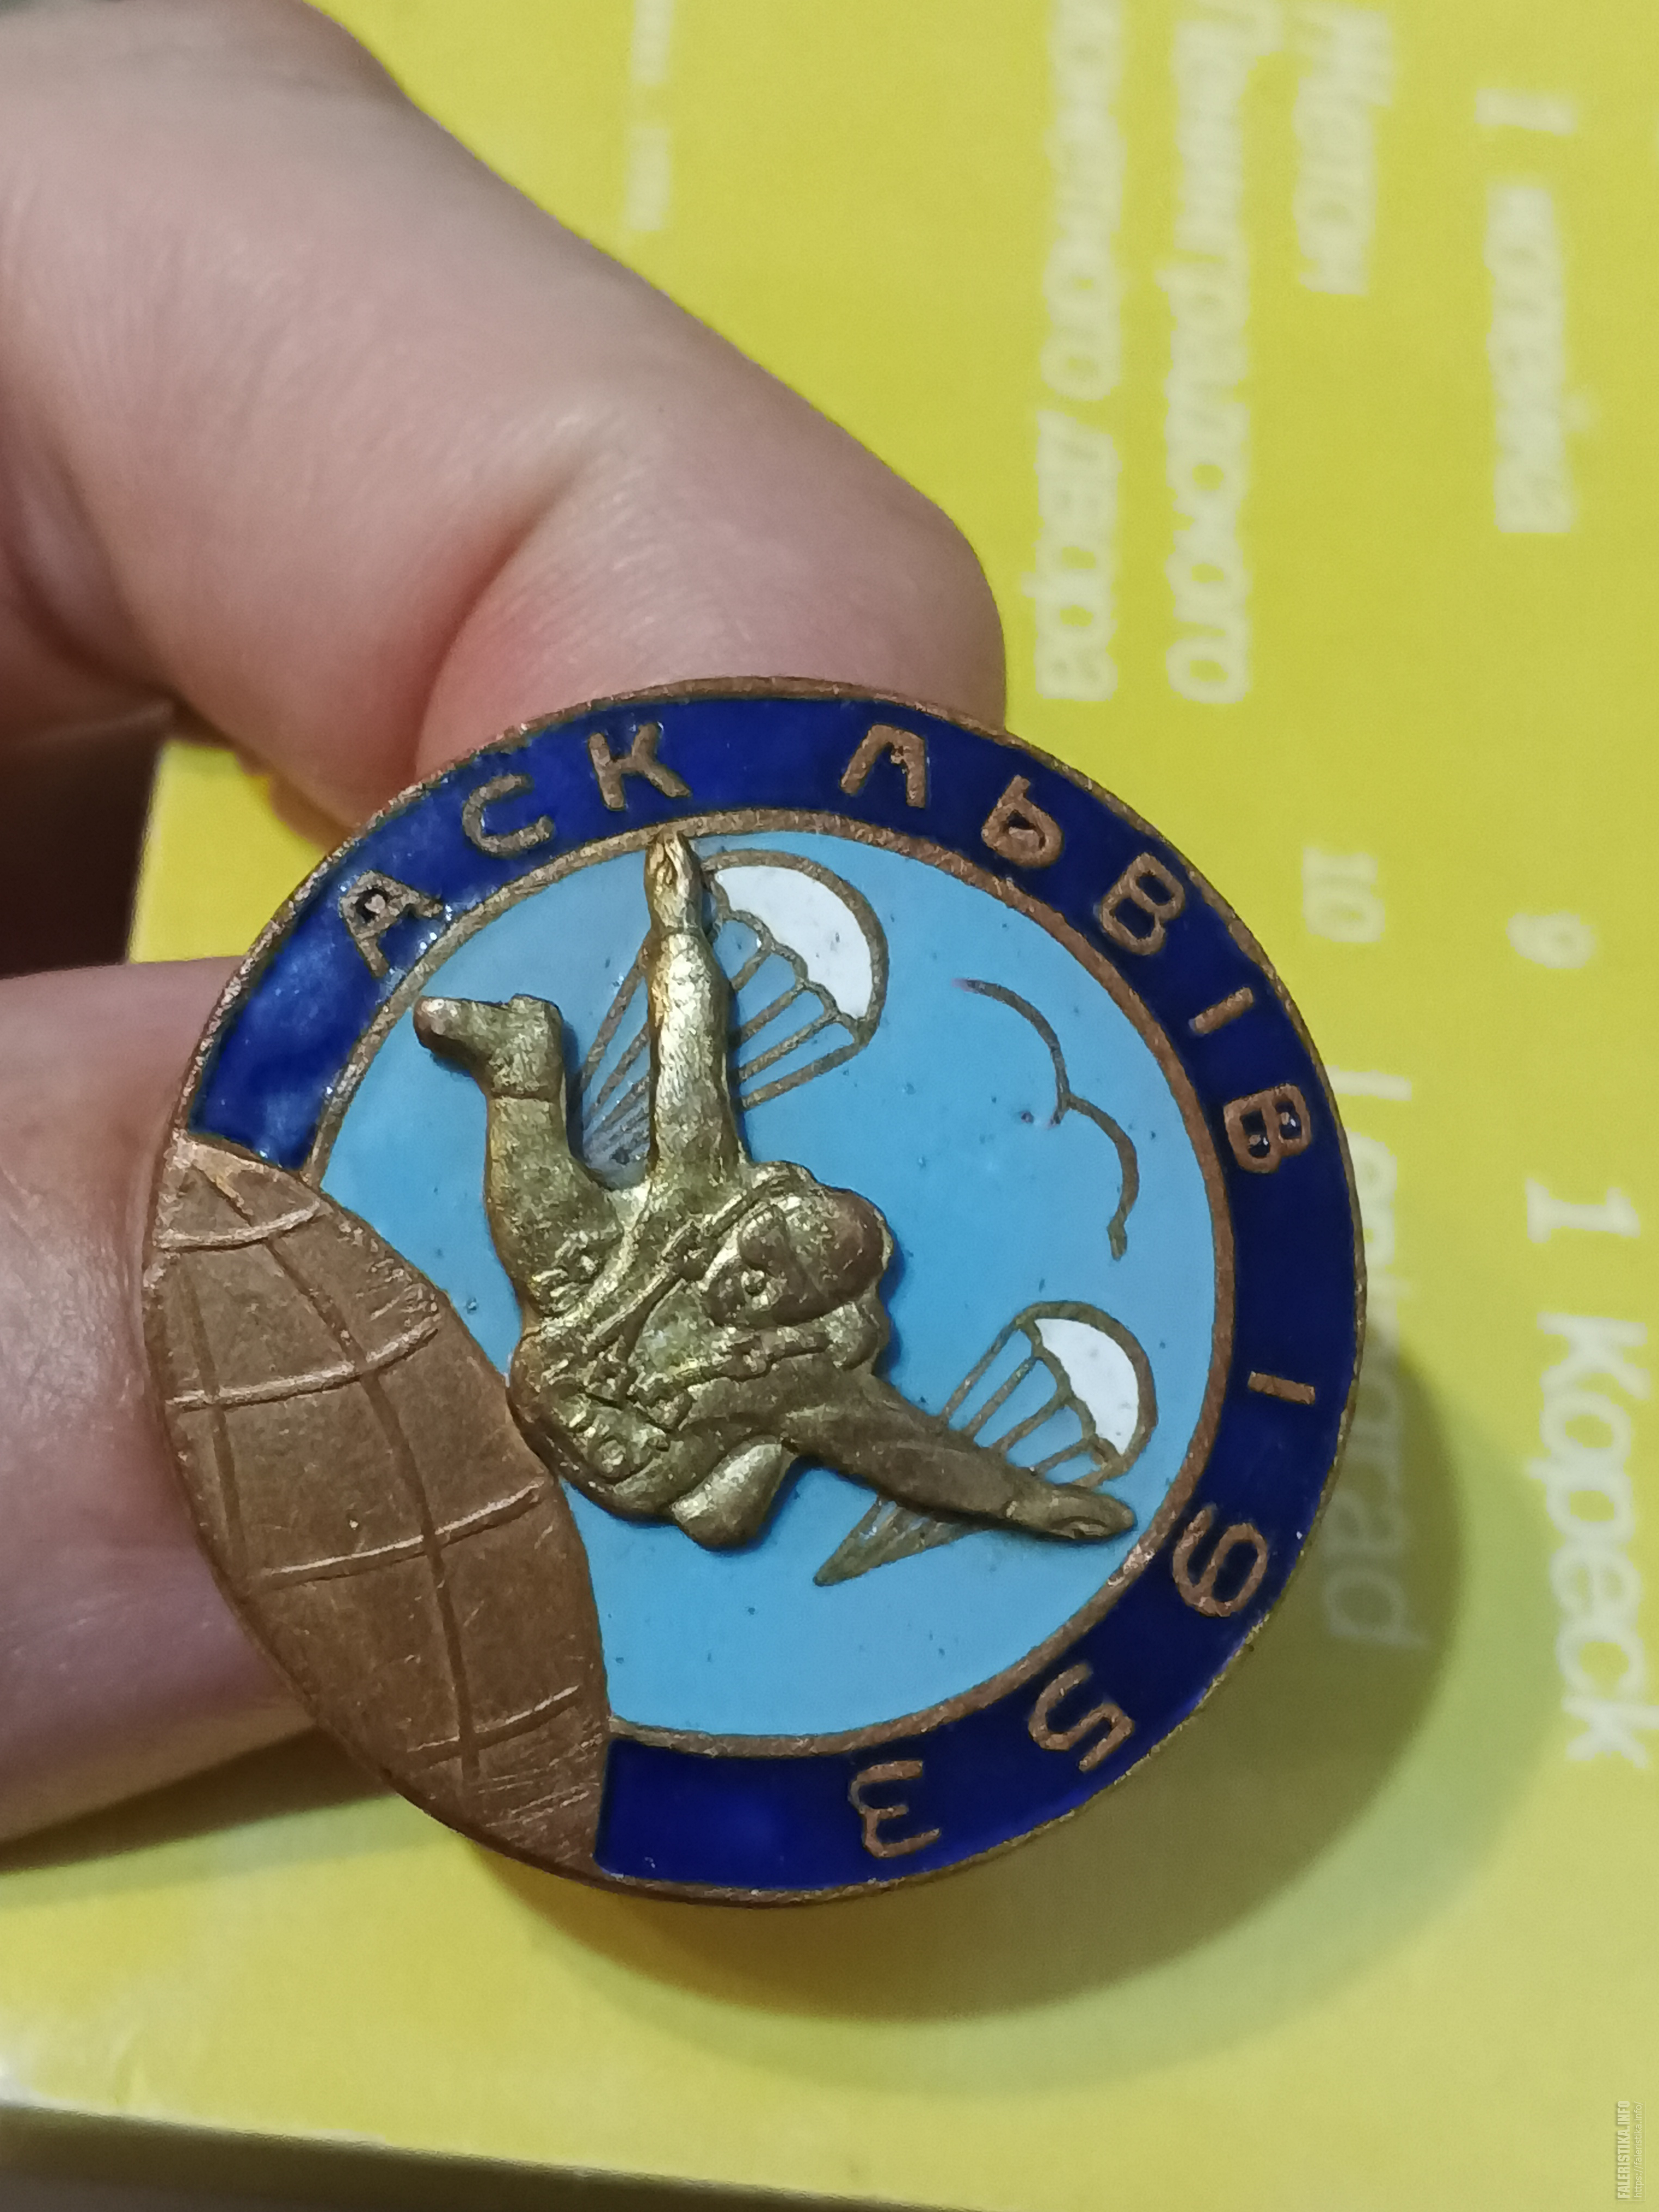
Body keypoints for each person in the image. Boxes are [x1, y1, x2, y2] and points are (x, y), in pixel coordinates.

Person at [0, 0, 1008, 1842]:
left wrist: (1040, 1504)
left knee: (722, 1500)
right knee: (536, 1086)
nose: (753, 1255)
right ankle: (480, 1084)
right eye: (769, 1235)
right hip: (557, 1319)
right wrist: (680, 916)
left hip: (604, 1459)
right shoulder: (699, 1204)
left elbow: (928, 1459)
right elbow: (694, 1061)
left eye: (777, 1267)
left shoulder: (812, 1371)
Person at [415, 833, 1136, 1551]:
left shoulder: (808, 1375)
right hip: (575, 1328)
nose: (746, 1279)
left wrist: (1024, 1501)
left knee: (723, 1517)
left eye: (776, 1287)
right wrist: (678, 929)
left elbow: (911, 1453)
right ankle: (524, 1067)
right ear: (749, 1219)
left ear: (809, 1308)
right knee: (548, 1228)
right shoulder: (704, 1181)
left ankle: (760, 1460)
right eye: (756, 1252)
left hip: (644, 1459)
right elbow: (689, 1045)